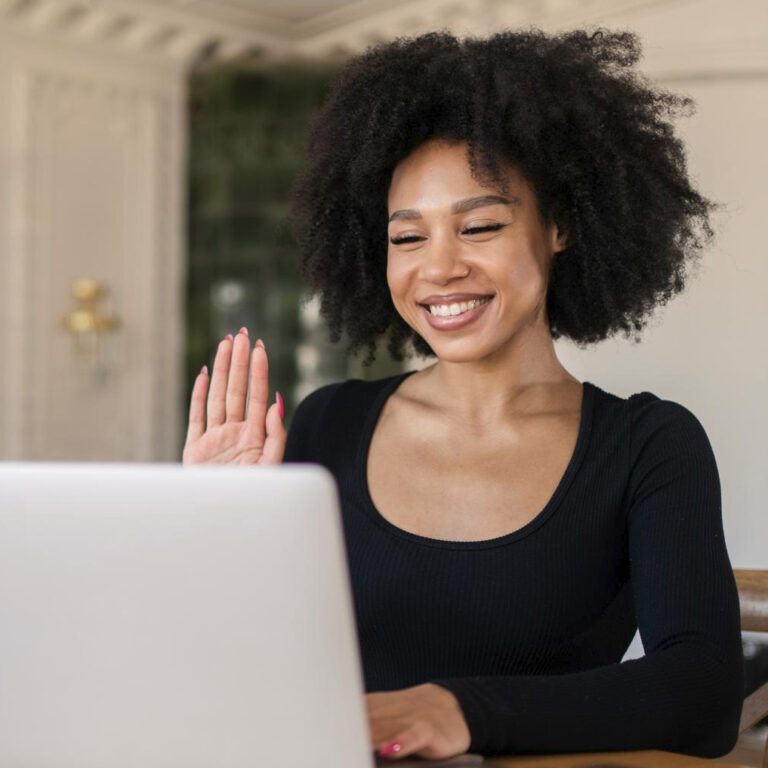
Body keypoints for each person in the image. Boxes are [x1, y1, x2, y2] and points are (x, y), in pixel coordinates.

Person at [183, 29, 744, 761]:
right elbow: (248, 678)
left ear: (560, 226)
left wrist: (459, 710)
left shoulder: (647, 444)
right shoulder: (330, 426)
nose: (440, 267)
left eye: (479, 225)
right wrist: (217, 537)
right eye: (407, 238)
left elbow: (702, 696)